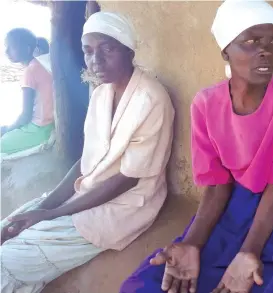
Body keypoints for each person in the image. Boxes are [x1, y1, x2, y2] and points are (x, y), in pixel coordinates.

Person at [121, 1, 273, 293]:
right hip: (233, 204)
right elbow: (216, 185)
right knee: (151, 284)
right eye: (251, 41)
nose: (266, 50)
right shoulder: (205, 104)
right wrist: (192, 243)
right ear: (225, 49)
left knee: (261, 279)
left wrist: (249, 250)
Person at [1, 11, 174, 293]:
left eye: (108, 49)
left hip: (123, 206)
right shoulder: (100, 95)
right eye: (88, 51)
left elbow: (128, 179)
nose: (96, 60)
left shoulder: (152, 100)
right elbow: (87, 160)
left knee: (6, 259)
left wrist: (53, 214)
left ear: (129, 51)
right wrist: (42, 207)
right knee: (9, 227)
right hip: (86, 193)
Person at [1, 28, 54, 155]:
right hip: (50, 124)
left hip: (39, 129)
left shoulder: (30, 71)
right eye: (5, 47)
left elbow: (26, 116)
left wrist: (7, 129)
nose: (6, 52)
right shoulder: (43, 64)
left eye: (11, 47)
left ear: (27, 48)